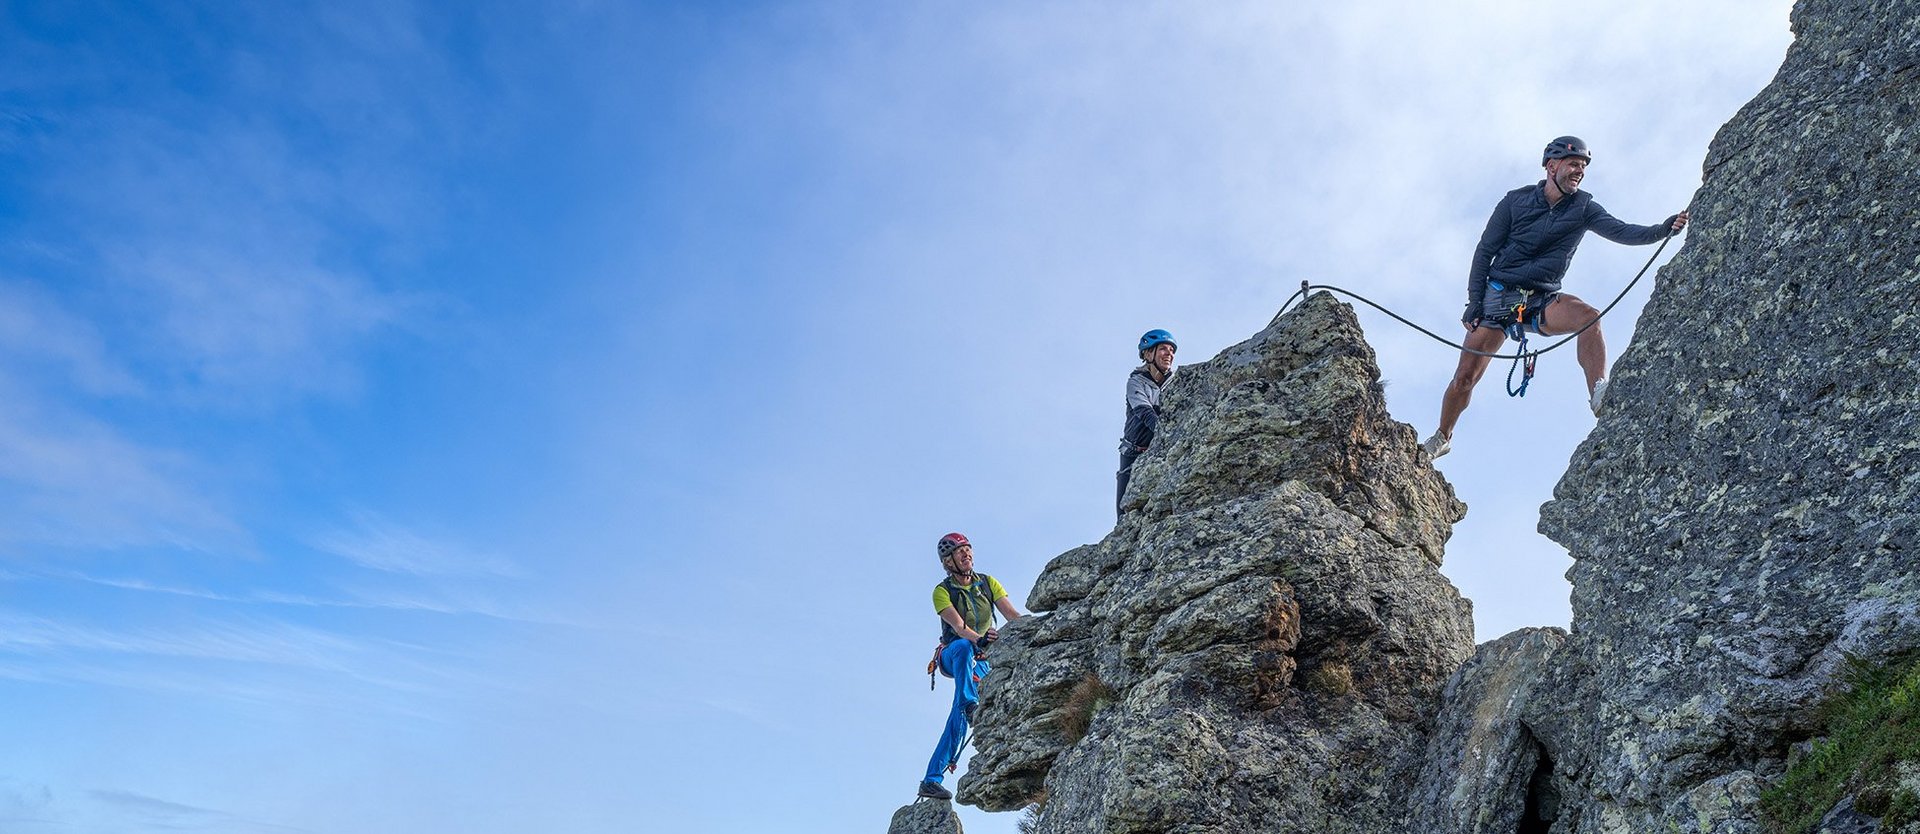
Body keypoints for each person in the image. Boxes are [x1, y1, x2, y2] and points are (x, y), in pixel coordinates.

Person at [1421, 136, 1689, 460]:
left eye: (1583, 166)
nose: (1580, 171)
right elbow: (1484, 252)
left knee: (1589, 317)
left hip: (1540, 300)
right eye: (1574, 164)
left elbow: (1621, 231)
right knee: (1464, 379)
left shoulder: (1584, 208)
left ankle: (1598, 392)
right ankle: (1442, 437)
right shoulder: (1514, 202)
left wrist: (1662, 229)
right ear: (1552, 166)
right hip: (1496, 297)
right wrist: (1474, 302)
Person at [918, 532, 1023, 800]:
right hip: (954, 654)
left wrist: (1033, 630)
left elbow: (1011, 615)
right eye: (959, 552)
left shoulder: (987, 583)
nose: (966, 554)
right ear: (948, 562)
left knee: (957, 719)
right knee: (964, 649)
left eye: (968, 549)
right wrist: (980, 641)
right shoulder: (942, 592)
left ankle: (932, 779)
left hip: (982, 660)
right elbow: (958, 627)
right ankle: (969, 704)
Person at [1117, 329, 1176, 517]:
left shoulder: (1177, 383)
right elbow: (1145, 413)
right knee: (1124, 515)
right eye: (1163, 349)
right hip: (1133, 453)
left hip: (1159, 450)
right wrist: (1167, 435)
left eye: (1172, 350)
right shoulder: (1136, 382)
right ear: (1148, 354)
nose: (1169, 354)